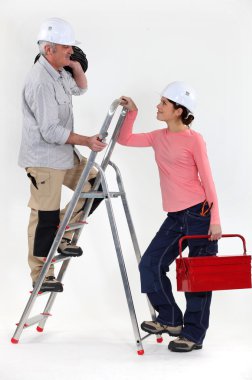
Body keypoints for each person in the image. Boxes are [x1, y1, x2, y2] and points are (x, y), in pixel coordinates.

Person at [118, 81, 222, 353]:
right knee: (150, 265)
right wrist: (132, 113)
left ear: (179, 110)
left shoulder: (194, 140)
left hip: (199, 214)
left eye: (164, 103)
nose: (159, 106)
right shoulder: (157, 137)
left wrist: (216, 219)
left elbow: (208, 180)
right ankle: (171, 319)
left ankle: (194, 334)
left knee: (197, 278)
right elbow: (125, 139)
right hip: (176, 216)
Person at [18, 18, 106, 293]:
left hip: (64, 156)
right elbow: (51, 131)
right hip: (44, 160)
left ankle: (63, 232)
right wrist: (87, 141)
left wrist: (75, 65)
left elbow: (80, 88)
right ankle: (42, 275)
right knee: (43, 217)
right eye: (67, 47)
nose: (71, 51)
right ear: (49, 49)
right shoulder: (40, 81)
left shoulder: (57, 72)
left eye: (71, 47)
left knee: (97, 187)